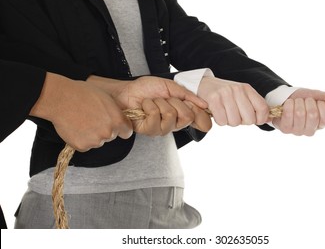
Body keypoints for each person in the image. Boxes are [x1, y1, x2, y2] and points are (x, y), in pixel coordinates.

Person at [0, 0, 325, 228]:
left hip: (166, 190)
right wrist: (191, 85)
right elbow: (52, 76)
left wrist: (278, 94)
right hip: (79, 196)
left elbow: (190, 38)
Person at [0, 59, 212, 228]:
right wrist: (51, 94)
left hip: (166, 192)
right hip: (79, 193)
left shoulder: (156, 3)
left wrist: (108, 89)